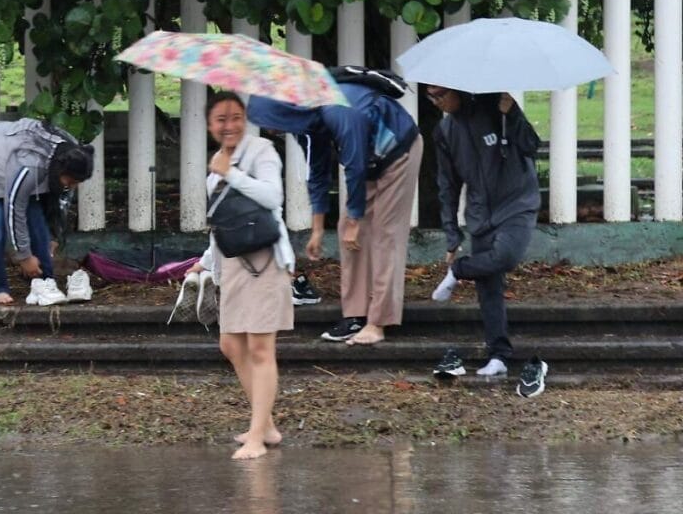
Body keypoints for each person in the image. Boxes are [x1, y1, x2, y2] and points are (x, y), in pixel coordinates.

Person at [247, 83, 422, 346]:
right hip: (370, 160)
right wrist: (317, 229)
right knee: (346, 231)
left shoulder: (338, 110)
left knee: (385, 234)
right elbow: (317, 172)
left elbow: (354, 166)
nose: (271, 131)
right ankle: (355, 316)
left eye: (270, 122)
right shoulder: (306, 118)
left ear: (281, 110)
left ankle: (378, 323)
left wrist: (355, 218)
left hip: (398, 150)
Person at [186, 91, 294, 460]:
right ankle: (267, 426)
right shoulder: (215, 164)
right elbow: (221, 221)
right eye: (221, 119)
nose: (229, 125)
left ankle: (257, 438)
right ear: (209, 124)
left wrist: (230, 173)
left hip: (265, 260)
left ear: (245, 119)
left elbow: (273, 198)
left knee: (261, 348)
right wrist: (206, 261)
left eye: (236, 117)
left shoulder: (262, 151)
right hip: (233, 262)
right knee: (231, 345)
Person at [426, 86, 542, 384]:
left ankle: (459, 270)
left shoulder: (496, 107)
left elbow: (531, 145)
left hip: (517, 203)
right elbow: (447, 185)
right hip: (480, 213)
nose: (437, 102)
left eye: (441, 95)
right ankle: (498, 355)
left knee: (506, 256)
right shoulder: (445, 131)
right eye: (430, 97)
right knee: (489, 287)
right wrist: (452, 234)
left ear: (457, 90)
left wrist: (512, 114)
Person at [0, 118, 95, 306]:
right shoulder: (31, 166)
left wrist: (53, 235)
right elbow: (13, 208)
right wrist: (24, 256)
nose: (72, 187)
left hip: (7, 167)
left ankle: (43, 281)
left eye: (76, 183)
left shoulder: (73, 154)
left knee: (37, 221)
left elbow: (60, 201)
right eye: (70, 181)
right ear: (59, 169)